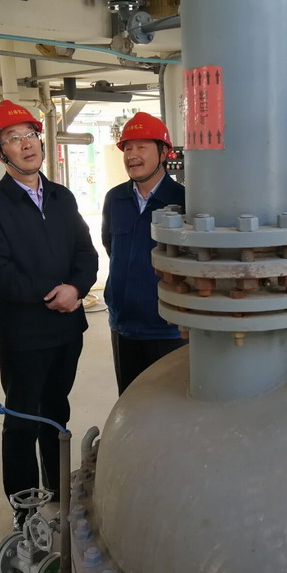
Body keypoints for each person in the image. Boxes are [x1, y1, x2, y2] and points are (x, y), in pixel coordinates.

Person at [0, 100, 98, 530]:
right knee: (23, 420)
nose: (26, 145)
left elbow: (86, 253)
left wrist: (76, 288)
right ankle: (24, 509)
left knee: (56, 413)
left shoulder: (62, 197)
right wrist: (54, 294)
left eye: (30, 135)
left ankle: (58, 489)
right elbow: (0, 276)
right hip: (24, 336)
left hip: (67, 329)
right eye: (13, 138)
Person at [102, 111, 186, 395]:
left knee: (169, 404)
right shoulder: (115, 199)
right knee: (128, 401)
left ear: (163, 153)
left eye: (141, 147)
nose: (132, 155)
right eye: (127, 148)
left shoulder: (184, 201)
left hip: (168, 328)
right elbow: (110, 246)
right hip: (123, 325)